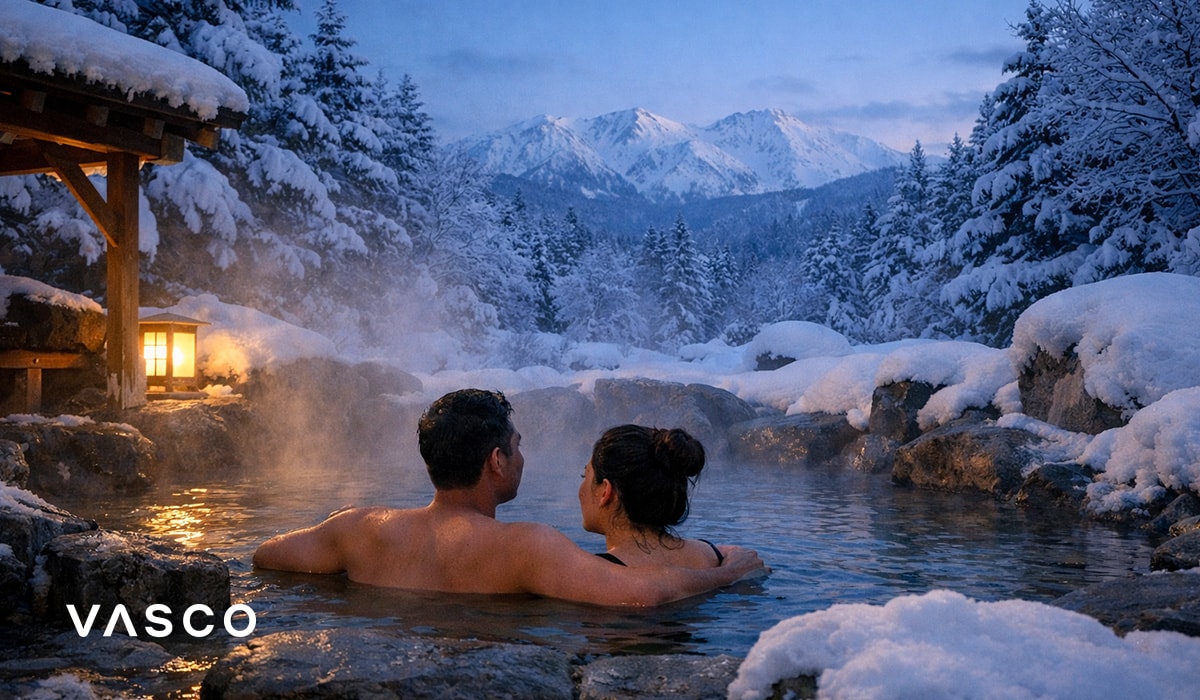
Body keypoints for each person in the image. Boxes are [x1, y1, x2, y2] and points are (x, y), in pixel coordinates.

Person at [253, 388, 765, 606]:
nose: (523, 457)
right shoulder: (525, 547)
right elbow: (640, 595)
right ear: (496, 461)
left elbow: (265, 556)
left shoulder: (358, 528)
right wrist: (727, 574)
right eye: (517, 446)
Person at [579, 424, 724, 568]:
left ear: (605, 491)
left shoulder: (597, 573)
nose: (580, 490)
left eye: (584, 476)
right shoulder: (711, 555)